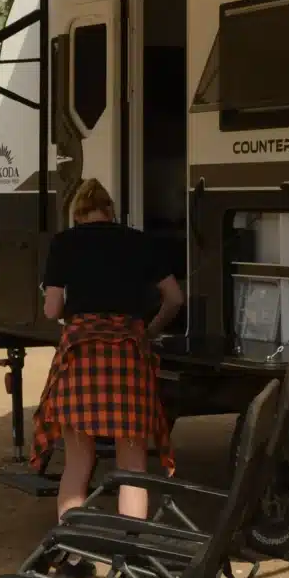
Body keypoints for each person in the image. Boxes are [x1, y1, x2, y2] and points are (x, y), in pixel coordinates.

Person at [32, 178, 184, 558]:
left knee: (79, 460)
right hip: (128, 356)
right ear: (111, 211)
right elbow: (175, 298)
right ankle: (129, 554)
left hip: (81, 356)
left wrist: (72, 311)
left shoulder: (65, 243)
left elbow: (52, 310)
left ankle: (71, 553)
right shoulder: (140, 242)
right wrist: (148, 331)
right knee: (132, 463)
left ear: (78, 213)